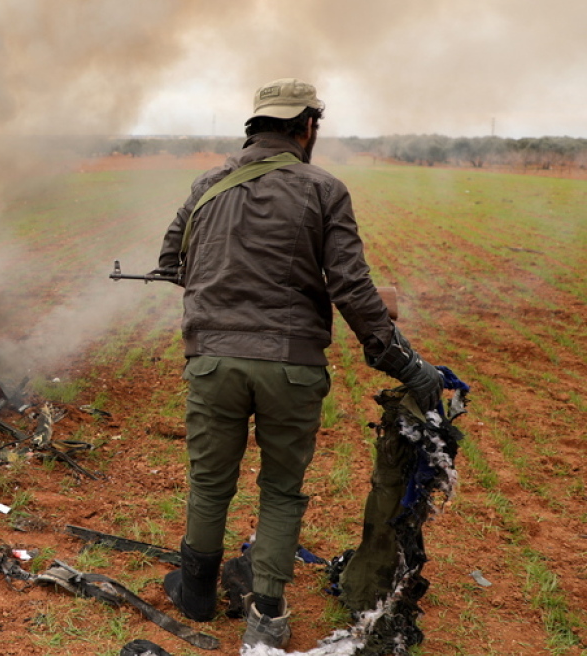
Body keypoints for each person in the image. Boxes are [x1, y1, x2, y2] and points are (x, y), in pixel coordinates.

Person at [153, 78, 442, 649]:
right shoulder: (325, 190)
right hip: (292, 366)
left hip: (212, 364)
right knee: (281, 490)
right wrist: (406, 365)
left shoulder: (207, 184)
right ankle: (268, 617)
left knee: (210, 483)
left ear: (255, 126)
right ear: (307, 126)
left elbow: (169, 262)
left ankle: (198, 593)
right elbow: (354, 292)